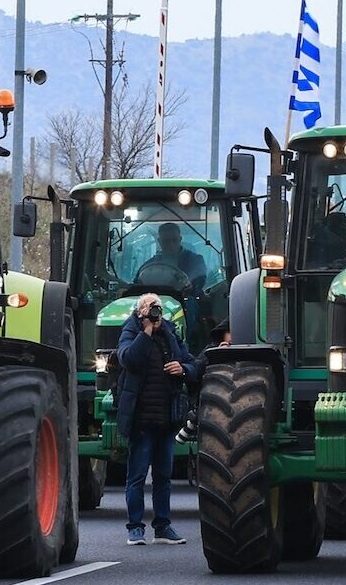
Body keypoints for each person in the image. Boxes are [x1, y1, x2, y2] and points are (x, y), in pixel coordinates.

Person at [115, 293, 199, 546]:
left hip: (166, 418)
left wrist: (182, 369)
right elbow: (129, 359)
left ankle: (163, 526)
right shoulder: (131, 331)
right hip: (141, 420)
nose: (154, 313)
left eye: (157, 309)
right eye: (148, 308)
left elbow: (192, 363)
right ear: (139, 311)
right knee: (137, 476)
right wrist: (146, 331)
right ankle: (135, 528)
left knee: (163, 477)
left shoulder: (170, 334)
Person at [139, 223, 207, 294]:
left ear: (180, 239)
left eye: (174, 240)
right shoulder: (149, 265)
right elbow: (138, 281)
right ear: (159, 241)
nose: (171, 245)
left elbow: (199, 275)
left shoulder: (195, 260)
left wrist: (190, 283)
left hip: (185, 299)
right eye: (166, 241)